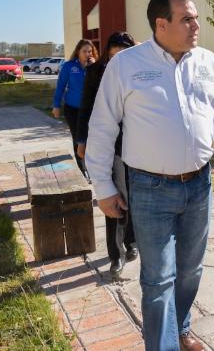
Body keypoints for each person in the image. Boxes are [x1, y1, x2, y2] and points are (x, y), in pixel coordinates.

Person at [85, 0, 214, 351]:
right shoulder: (126, 65)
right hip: (149, 189)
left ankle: (181, 326)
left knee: (190, 270)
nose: (196, 25)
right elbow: (102, 127)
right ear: (162, 24)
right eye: (187, 19)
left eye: (196, 18)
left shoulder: (207, 61)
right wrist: (103, 187)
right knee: (158, 279)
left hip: (199, 185)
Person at [75, 31, 137, 279]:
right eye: (114, 56)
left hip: (139, 146)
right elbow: (86, 107)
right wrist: (82, 140)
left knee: (134, 195)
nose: (118, 61)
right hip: (110, 145)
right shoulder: (96, 73)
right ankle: (115, 256)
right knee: (114, 197)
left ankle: (132, 241)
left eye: (125, 55)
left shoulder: (141, 72)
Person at [53, 39, 97, 174]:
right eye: (84, 51)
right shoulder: (69, 66)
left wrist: (94, 67)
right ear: (78, 52)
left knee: (91, 138)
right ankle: (82, 168)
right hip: (72, 109)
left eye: (90, 51)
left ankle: (92, 165)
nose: (87, 54)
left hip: (91, 109)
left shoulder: (95, 66)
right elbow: (60, 87)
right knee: (78, 138)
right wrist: (56, 105)